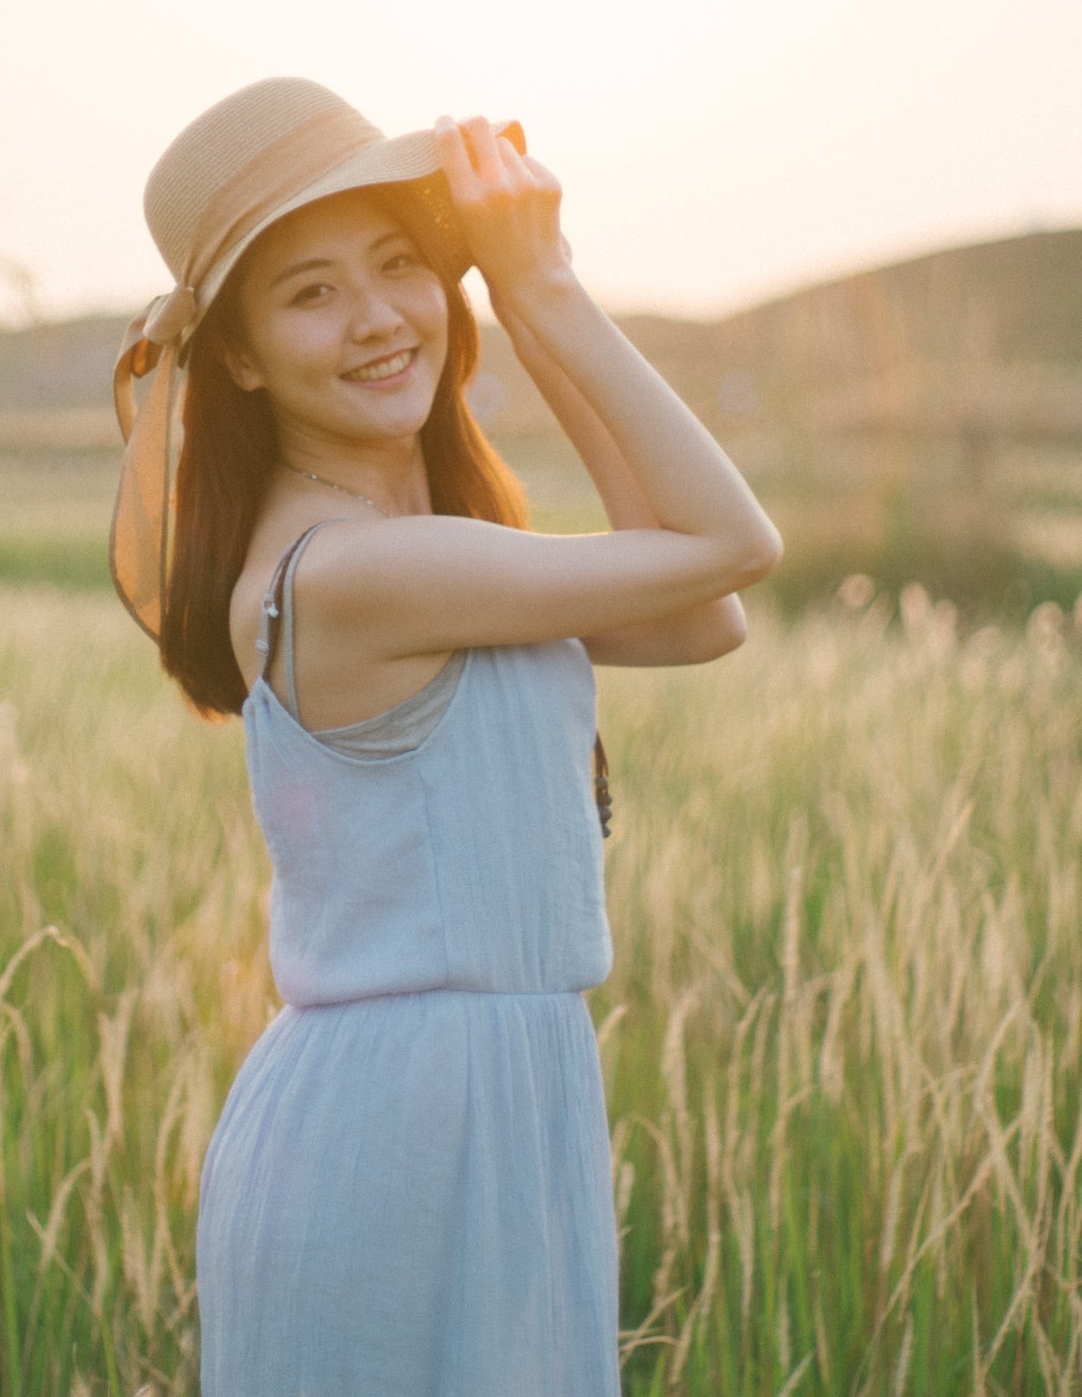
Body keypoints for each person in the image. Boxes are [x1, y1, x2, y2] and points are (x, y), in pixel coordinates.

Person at [110, 78, 780, 1394]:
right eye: (311, 291)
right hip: (395, 1136)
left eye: (401, 263)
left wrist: (520, 304)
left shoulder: (431, 553)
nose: (376, 317)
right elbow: (734, 541)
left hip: (496, 1105)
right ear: (239, 356)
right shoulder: (351, 570)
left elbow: (705, 614)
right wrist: (544, 290)